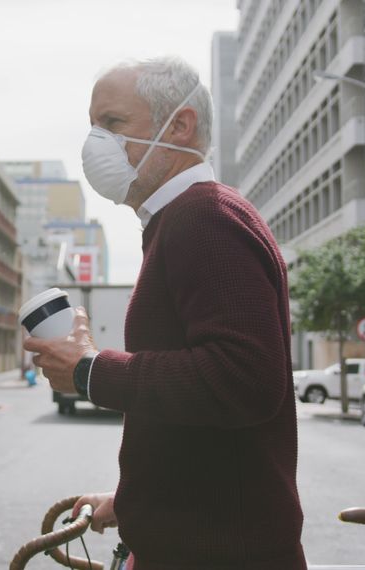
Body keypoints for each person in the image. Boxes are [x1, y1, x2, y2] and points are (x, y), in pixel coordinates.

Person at [23, 57, 305, 570]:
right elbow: (195, 427)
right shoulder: (184, 220)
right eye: (92, 126)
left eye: (112, 123)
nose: (95, 143)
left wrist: (89, 370)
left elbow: (243, 380)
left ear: (180, 125)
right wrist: (132, 505)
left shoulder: (205, 218)